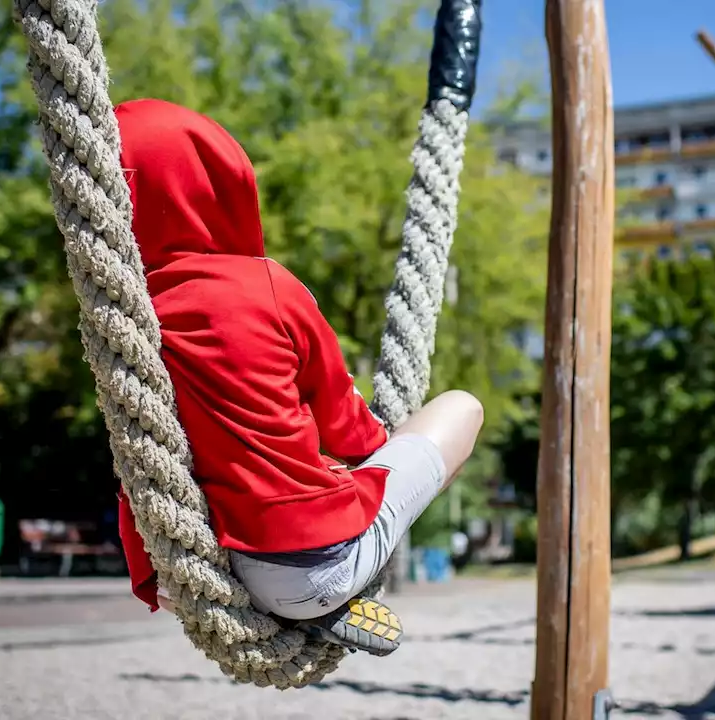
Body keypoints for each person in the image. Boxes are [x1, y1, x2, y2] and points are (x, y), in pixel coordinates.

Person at [111, 98, 484, 657]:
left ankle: (311, 588)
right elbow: (351, 430)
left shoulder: (127, 319)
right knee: (463, 408)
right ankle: (348, 580)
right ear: (220, 187)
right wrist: (379, 457)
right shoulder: (267, 285)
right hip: (324, 557)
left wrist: (152, 575)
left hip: (220, 567)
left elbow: (137, 459)